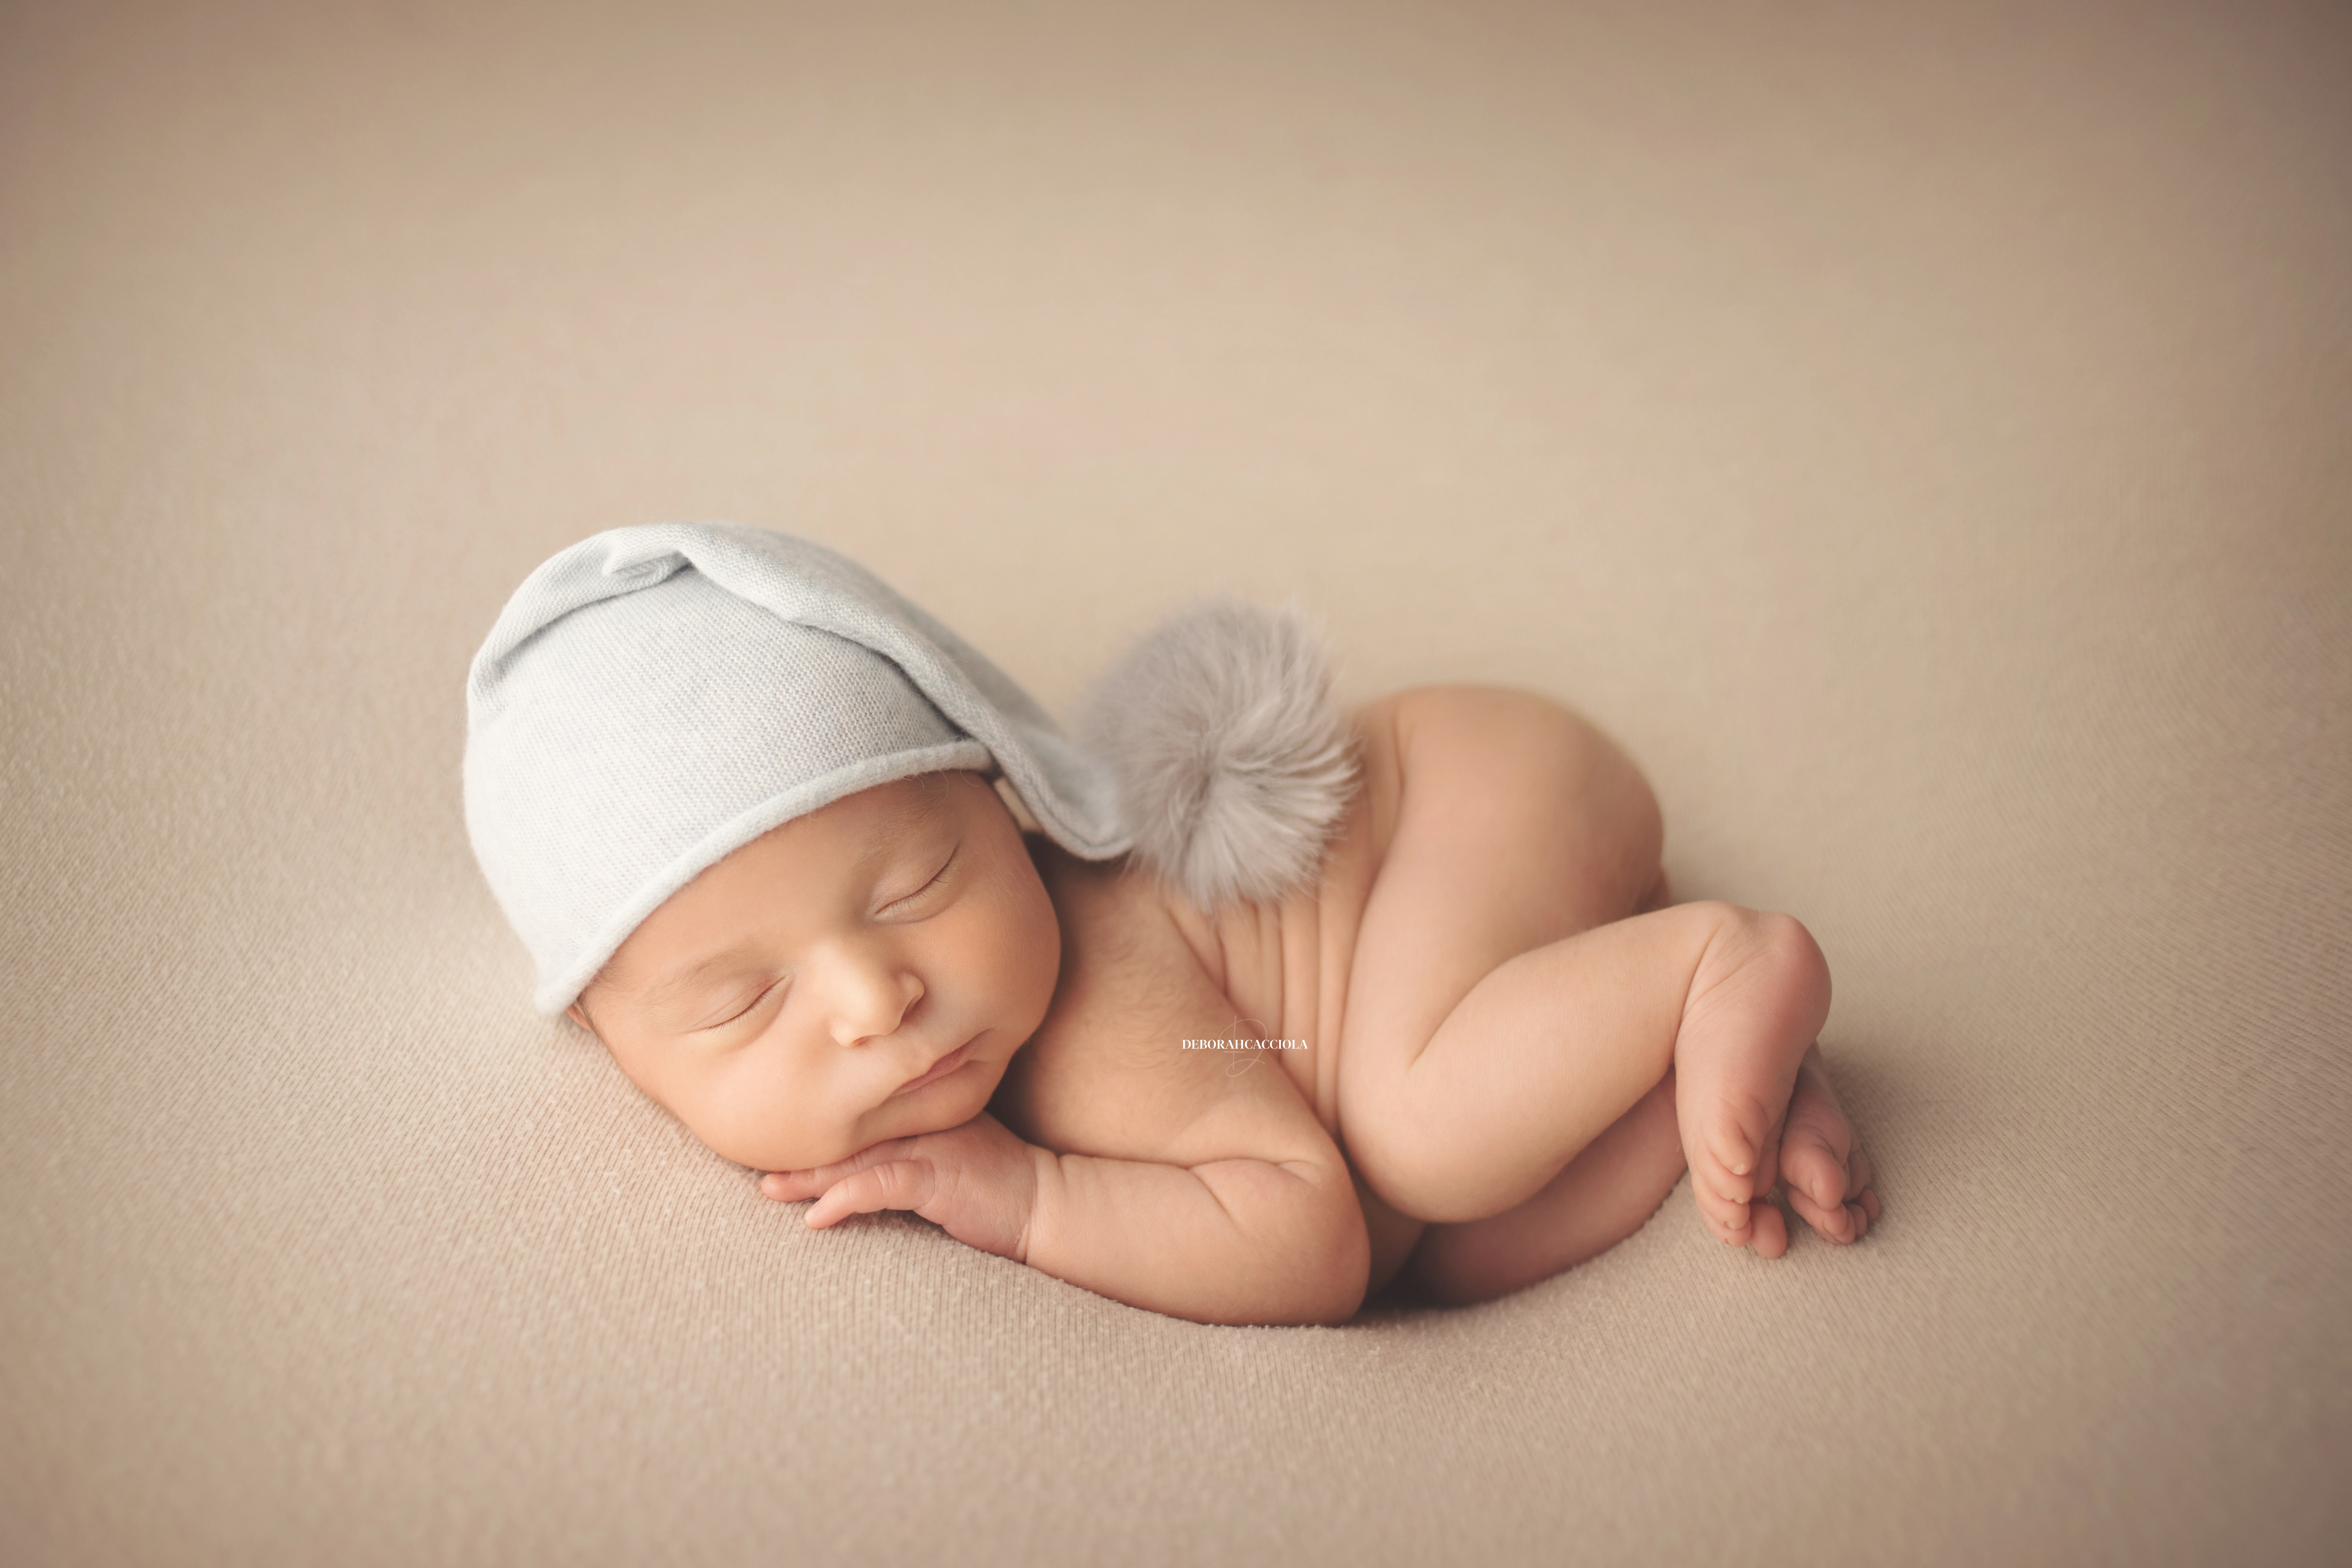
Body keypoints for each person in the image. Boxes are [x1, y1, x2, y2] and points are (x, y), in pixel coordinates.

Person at [464, 523, 1880, 1327]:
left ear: (1003, 802)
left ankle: (1714, 963)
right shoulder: (884, 1008)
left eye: (917, 886)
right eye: (739, 1003)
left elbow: (1310, 1244)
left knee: (1420, 1132)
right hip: (1483, 914)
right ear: (612, 1043)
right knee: (1457, 1246)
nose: (873, 996)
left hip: (1469, 792)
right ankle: (1699, 1059)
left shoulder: (1090, 1020)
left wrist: (1030, 1199)